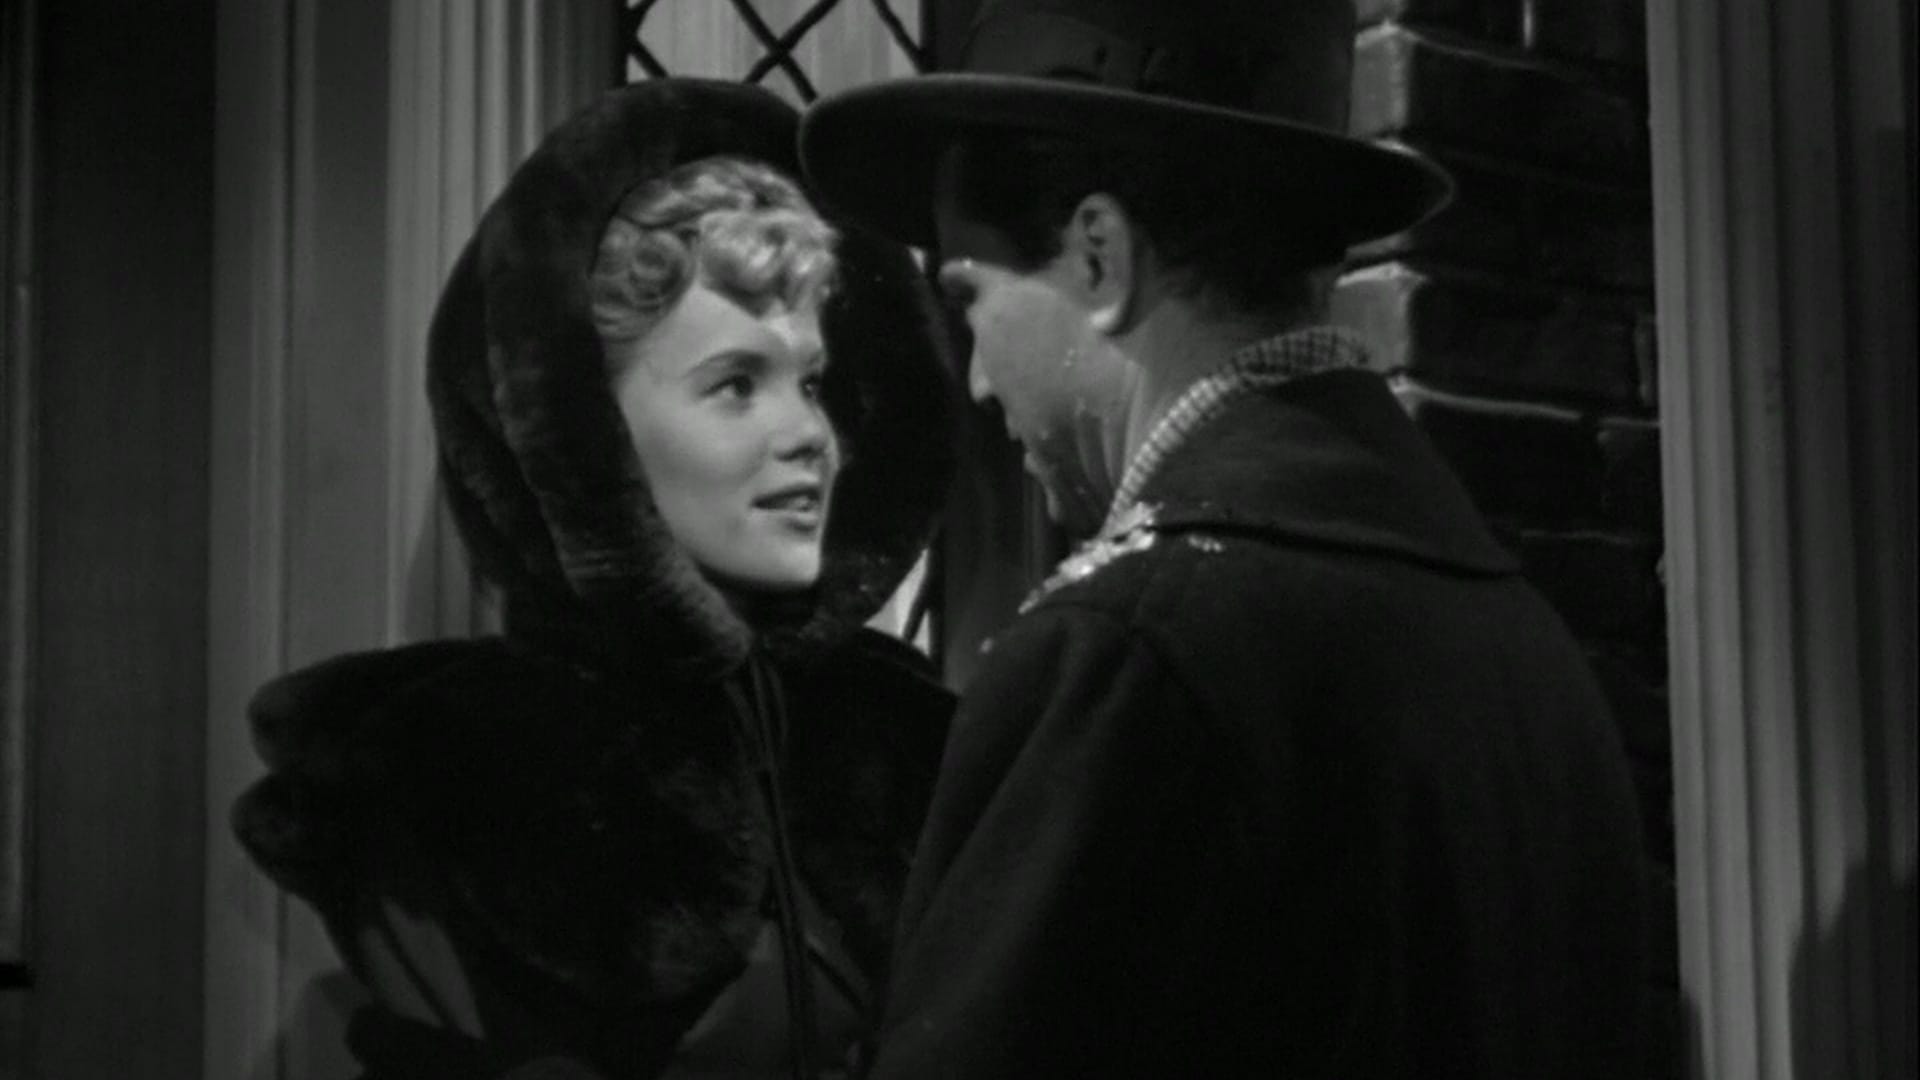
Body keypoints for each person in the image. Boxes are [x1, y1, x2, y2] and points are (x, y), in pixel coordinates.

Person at [799, 1, 1649, 1076]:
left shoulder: (1124, 657)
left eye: (970, 297)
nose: (975, 377)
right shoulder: (1528, 647)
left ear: (1099, 258)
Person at [232, 79, 956, 1079]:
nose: (810, 436)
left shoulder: (917, 742)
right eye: (735, 384)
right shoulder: (437, 781)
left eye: (815, 383)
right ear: (588, 430)